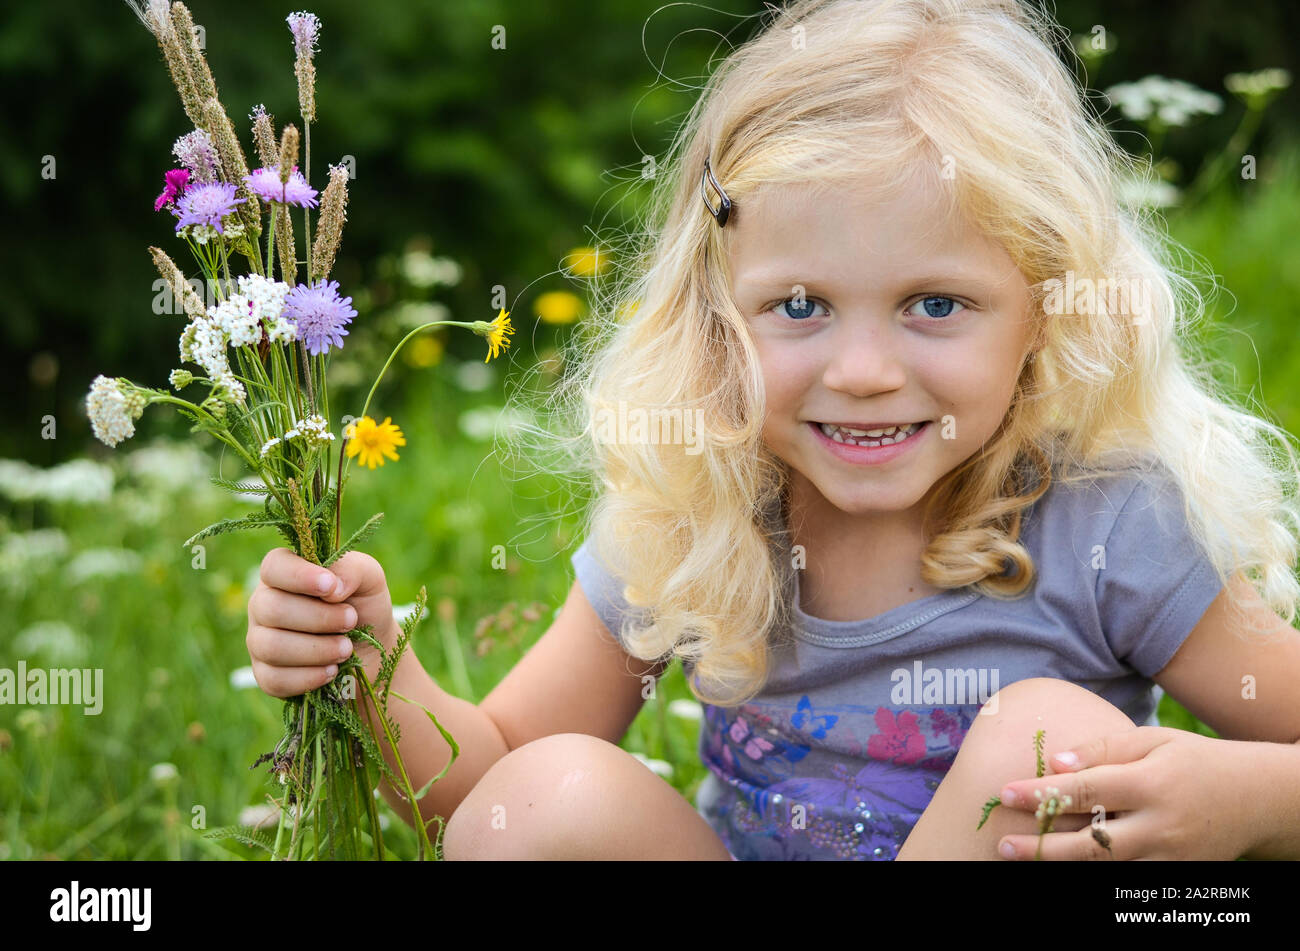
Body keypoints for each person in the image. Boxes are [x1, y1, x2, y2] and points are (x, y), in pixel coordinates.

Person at [245, 0, 1300, 860]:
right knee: (552, 795)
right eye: (799, 307)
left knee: (1052, 745)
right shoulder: (699, 513)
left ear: (1044, 308)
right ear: (717, 314)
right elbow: (483, 794)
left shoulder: (1110, 521)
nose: (863, 372)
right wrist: (367, 661)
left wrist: (1246, 796)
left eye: (936, 304)